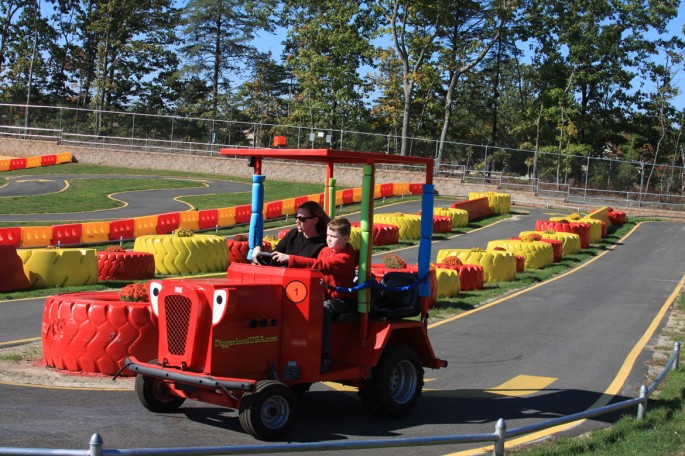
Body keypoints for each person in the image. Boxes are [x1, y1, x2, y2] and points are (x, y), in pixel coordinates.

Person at [276, 217, 358, 373]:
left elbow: (322, 266)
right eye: (327, 235)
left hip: (343, 300)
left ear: (346, 238)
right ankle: (295, 347)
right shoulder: (325, 251)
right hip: (325, 295)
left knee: (324, 309)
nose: (329, 239)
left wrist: (291, 259)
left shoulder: (346, 256)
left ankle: (324, 355)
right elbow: (315, 272)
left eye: (333, 237)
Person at [252, 201, 330, 264]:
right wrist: (258, 251)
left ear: (315, 220)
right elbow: (274, 255)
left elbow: (318, 265)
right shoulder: (293, 234)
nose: (297, 221)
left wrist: (289, 259)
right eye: (296, 217)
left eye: (301, 218)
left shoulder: (324, 242)